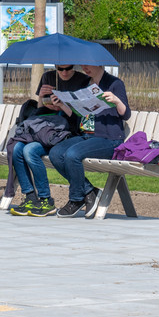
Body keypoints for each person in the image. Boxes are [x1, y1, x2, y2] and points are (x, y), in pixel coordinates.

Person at [48, 63, 131, 218]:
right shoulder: (86, 84)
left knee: (72, 155)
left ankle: (76, 199)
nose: (84, 68)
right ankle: (89, 191)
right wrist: (62, 105)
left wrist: (116, 101)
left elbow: (126, 115)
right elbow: (77, 115)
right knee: (56, 153)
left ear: (100, 64)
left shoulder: (114, 83)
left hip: (109, 139)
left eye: (88, 65)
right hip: (86, 136)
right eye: (83, 65)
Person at [9, 63, 89, 217]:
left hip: (65, 132)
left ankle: (46, 199)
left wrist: (63, 106)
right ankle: (30, 197)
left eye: (68, 68)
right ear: (55, 66)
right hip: (45, 128)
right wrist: (42, 98)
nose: (64, 72)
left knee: (29, 150)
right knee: (17, 148)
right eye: (60, 69)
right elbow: (40, 110)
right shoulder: (48, 77)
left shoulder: (83, 81)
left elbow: (81, 118)